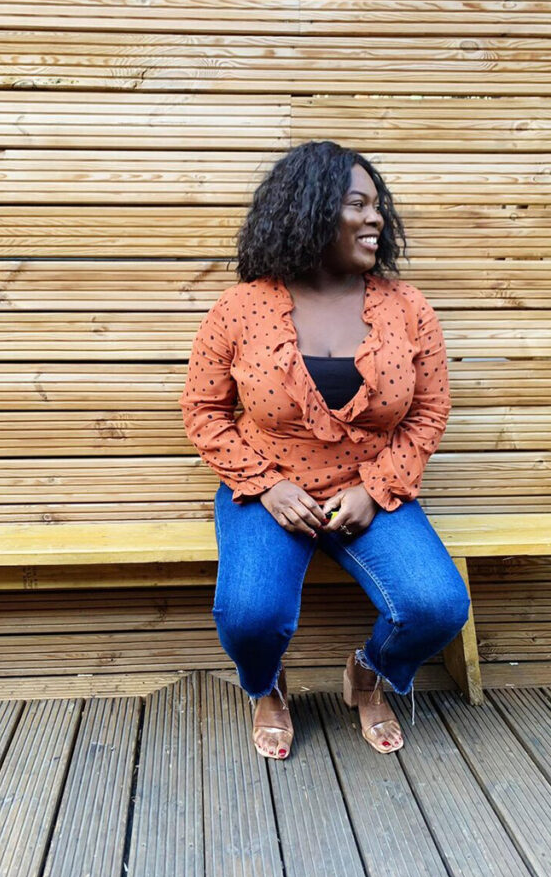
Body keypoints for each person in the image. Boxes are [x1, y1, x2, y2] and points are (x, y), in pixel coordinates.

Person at [179, 140, 471, 760]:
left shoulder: (407, 307)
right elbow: (204, 413)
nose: (376, 220)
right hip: (270, 490)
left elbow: (428, 411)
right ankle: (265, 688)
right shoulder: (239, 308)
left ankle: (368, 676)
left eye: (378, 206)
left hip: (370, 489)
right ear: (309, 210)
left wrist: (376, 488)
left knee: (438, 606)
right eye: (357, 205)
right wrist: (265, 485)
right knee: (249, 615)